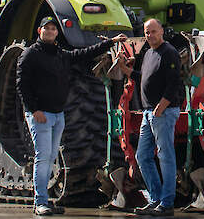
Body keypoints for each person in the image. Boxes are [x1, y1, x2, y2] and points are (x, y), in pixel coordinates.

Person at [16, 16, 129, 216]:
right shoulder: (30, 55)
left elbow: (84, 53)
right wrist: (34, 110)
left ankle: (46, 202)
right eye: (46, 28)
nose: (50, 31)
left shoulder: (60, 54)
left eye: (53, 28)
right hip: (41, 115)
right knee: (43, 158)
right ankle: (40, 202)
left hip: (58, 115)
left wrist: (110, 43)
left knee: (50, 158)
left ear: (57, 32)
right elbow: (22, 84)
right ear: (39, 32)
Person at [118, 18, 183, 216]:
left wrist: (161, 107)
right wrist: (124, 69)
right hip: (149, 112)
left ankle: (167, 203)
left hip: (163, 111)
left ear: (161, 31)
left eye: (153, 31)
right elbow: (142, 77)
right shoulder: (148, 53)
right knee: (143, 156)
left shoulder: (169, 52)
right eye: (147, 32)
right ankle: (155, 198)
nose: (150, 35)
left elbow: (174, 84)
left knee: (165, 156)